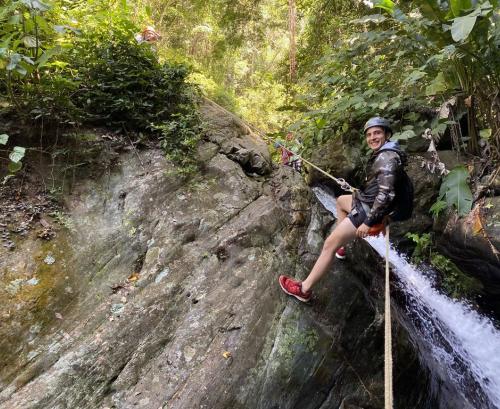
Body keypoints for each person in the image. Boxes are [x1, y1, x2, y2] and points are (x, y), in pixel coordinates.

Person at [279, 117, 407, 302]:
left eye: (377, 133)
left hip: (366, 212)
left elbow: (386, 195)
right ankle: (342, 247)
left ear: (387, 134)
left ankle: (303, 289)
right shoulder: (390, 153)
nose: (372, 137)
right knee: (340, 200)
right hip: (366, 202)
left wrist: (368, 222)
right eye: (369, 134)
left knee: (329, 244)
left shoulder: (386, 158)